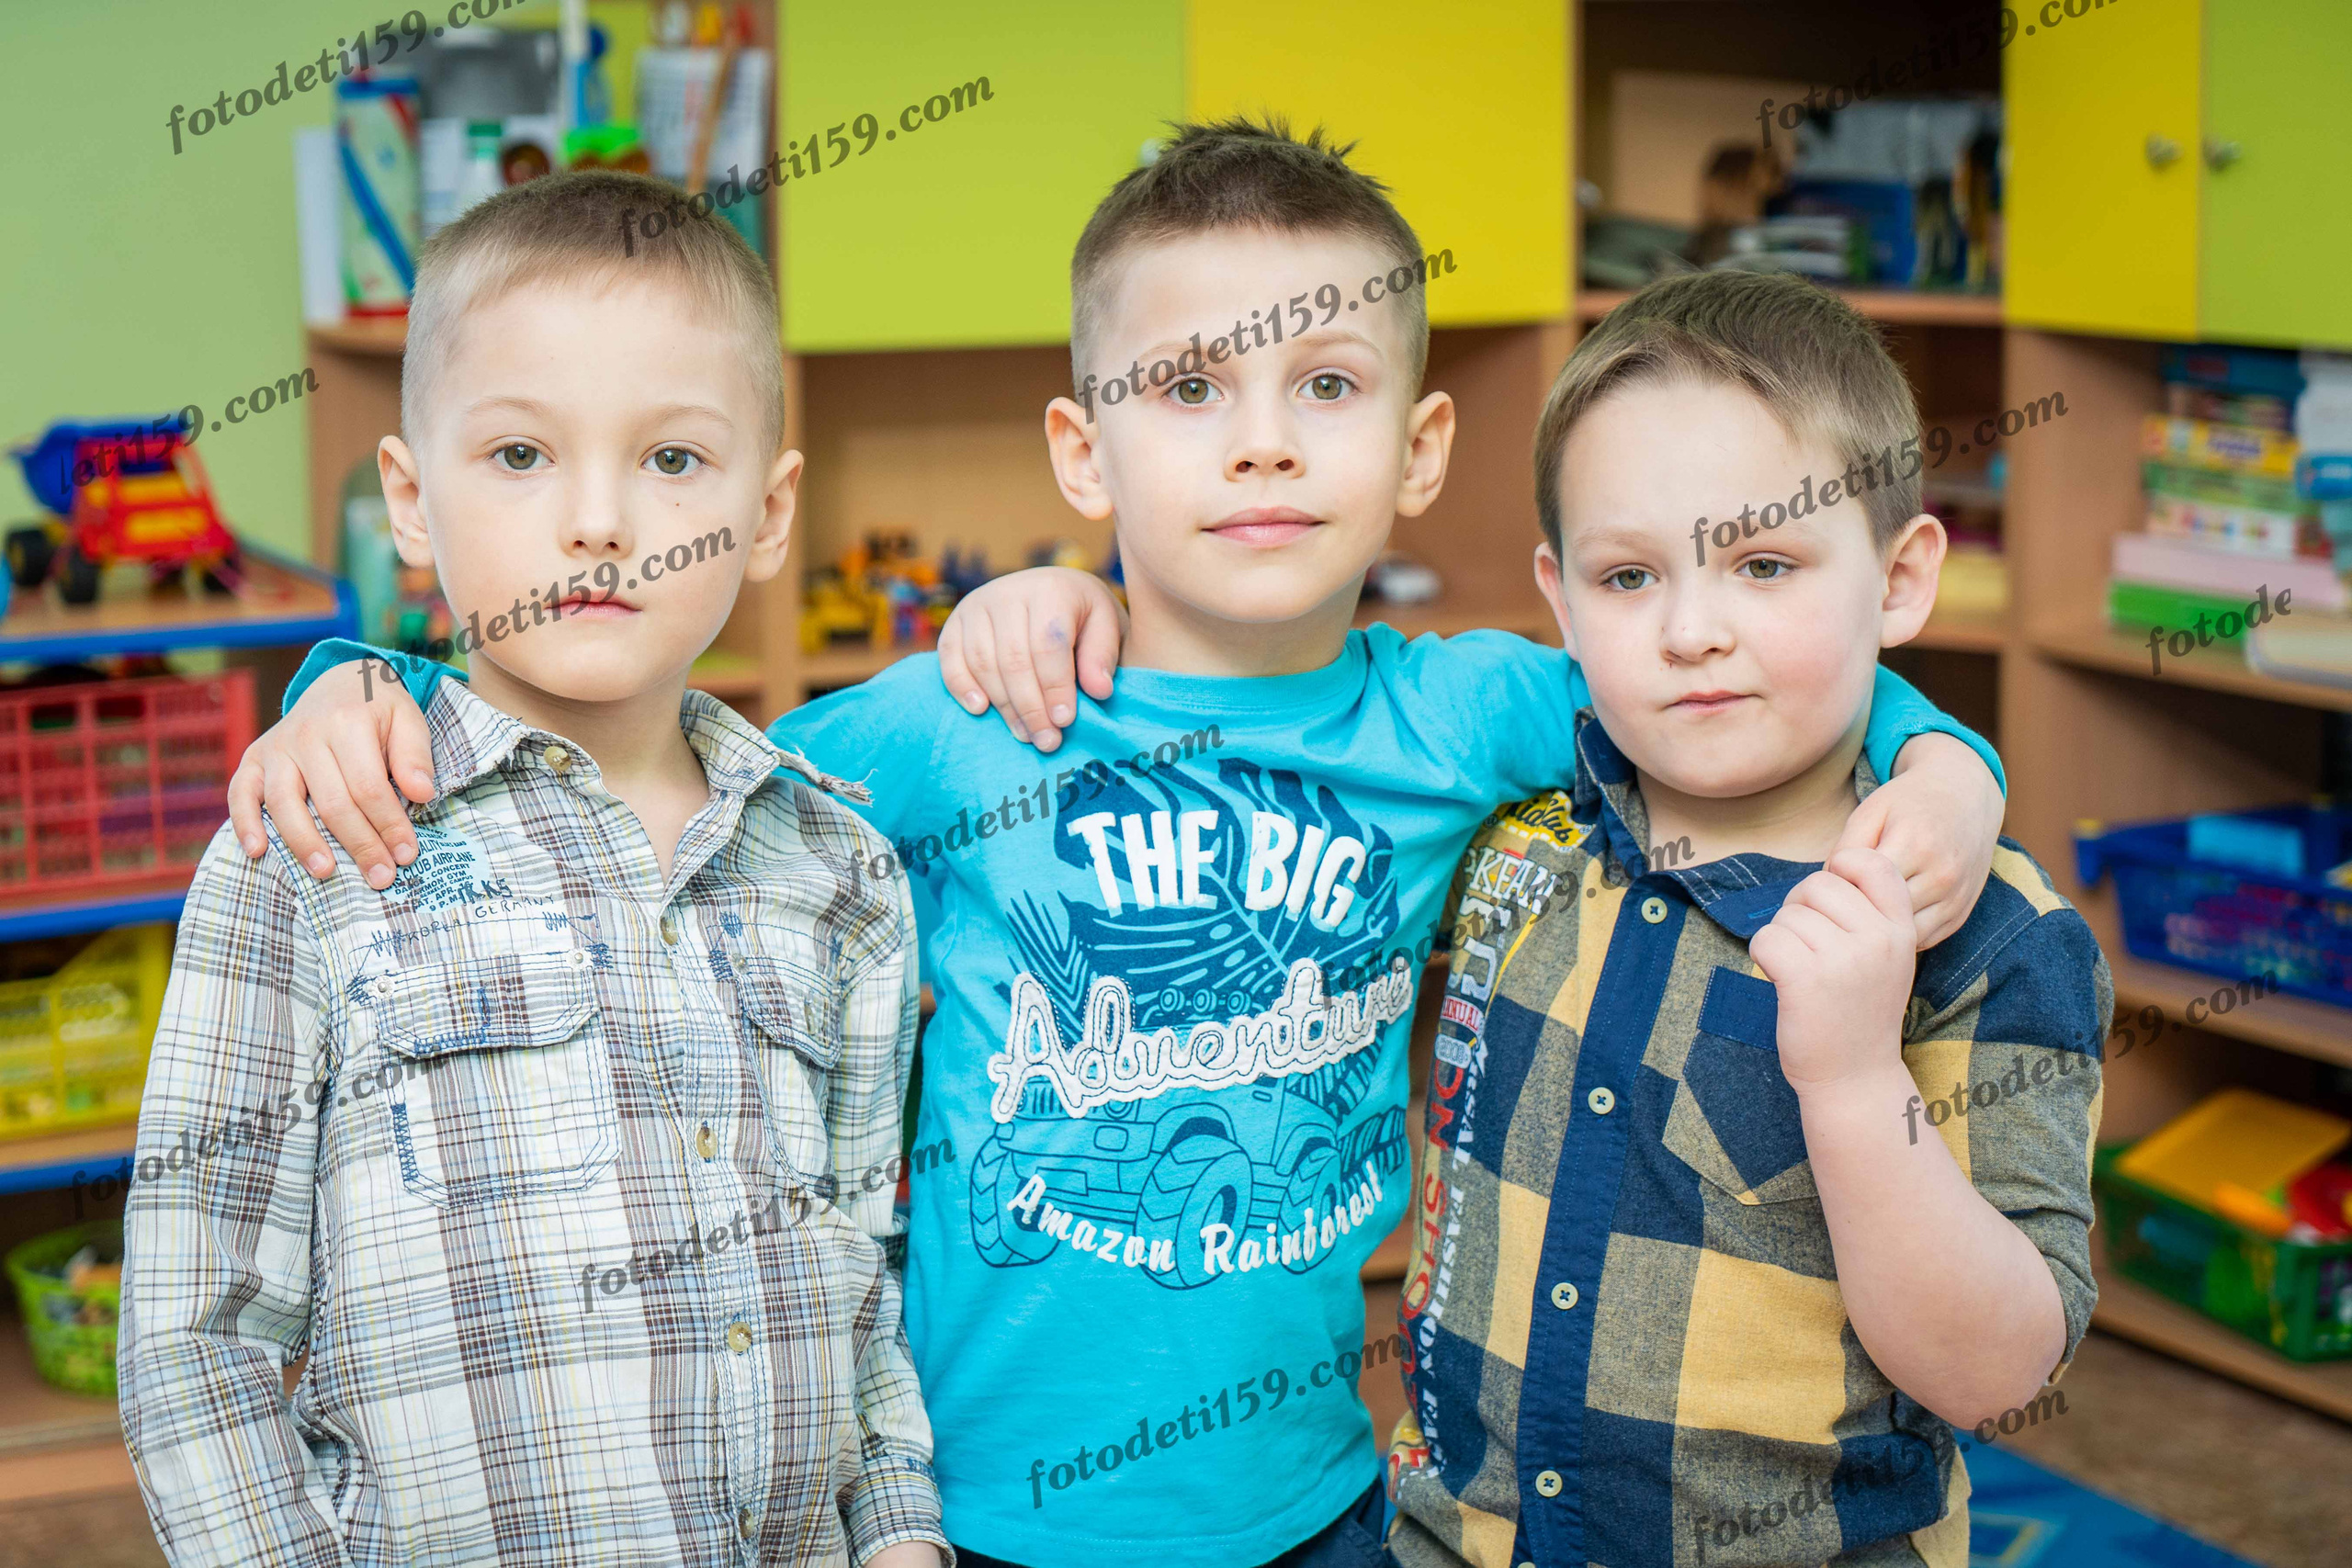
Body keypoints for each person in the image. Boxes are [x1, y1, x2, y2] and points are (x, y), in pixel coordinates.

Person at [224, 121, 2007, 1568]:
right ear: (1082, 450)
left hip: (1315, 1495)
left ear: (1416, 444)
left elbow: (1742, 691)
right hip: (976, 1507)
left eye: (1323, 387)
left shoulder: (1459, 712)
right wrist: (346, 681)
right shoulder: (965, 712)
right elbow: (630, 736)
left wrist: (1943, 775)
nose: (1257, 445)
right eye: (1185, 389)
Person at [119, 171, 947, 1568]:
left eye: (675, 460)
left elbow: (863, 1282)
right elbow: (193, 1347)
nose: (599, 522)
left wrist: (900, 1535)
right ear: (412, 500)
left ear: (768, 511)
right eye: (520, 457)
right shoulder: (316, 846)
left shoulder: (843, 874)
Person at [1380, 270, 2107, 1568]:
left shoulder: (1992, 932)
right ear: (1557, 597)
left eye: (1763, 564)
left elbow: (1999, 1374)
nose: (1692, 630)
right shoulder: (1517, 826)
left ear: (1901, 580)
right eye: (1628, 575)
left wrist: (1849, 1079)